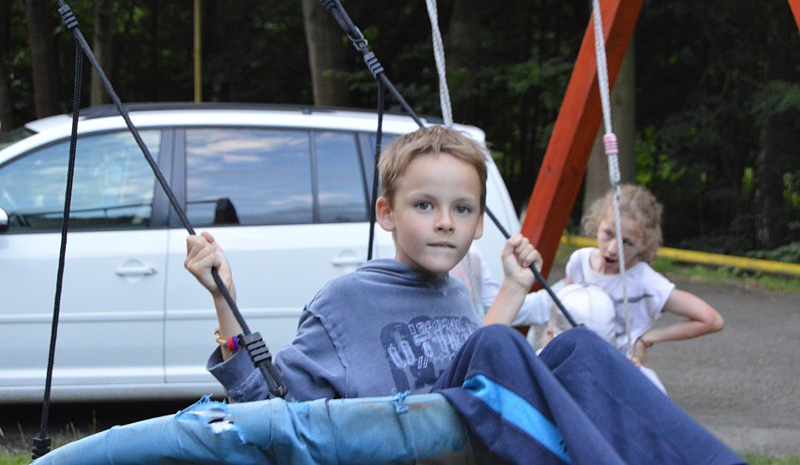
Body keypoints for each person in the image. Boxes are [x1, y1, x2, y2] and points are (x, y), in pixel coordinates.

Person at [185, 127, 741, 463]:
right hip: (416, 452)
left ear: (478, 225)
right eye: (424, 205)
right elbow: (269, 409)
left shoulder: (455, 294)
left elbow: (476, 367)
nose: (445, 222)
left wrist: (517, 285)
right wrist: (224, 300)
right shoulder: (348, 300)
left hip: (468, 444)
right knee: (500, 346)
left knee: (579, 348)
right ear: (386, 213)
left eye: (463, 209)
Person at [564, 184, 725, 369]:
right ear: (597, 222)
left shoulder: (646, 282)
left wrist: (646, 339)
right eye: (608, 234)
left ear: (645, 244)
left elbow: (711, 320)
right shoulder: (580, 261)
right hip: (572, 361)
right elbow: (563, 306)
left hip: (617, 370)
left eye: (627, 242)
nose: (613, 249)